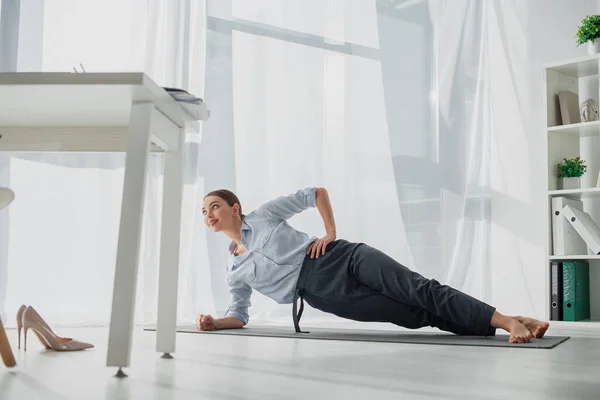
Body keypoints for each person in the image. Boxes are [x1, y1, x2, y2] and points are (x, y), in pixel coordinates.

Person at [197, 187, 549, 343]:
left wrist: (330, 232)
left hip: (340, 257)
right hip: (324, 294)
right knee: (415, 314)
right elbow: (239, 315)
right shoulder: (235, 270)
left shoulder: (264, 215)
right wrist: (216, 322)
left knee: (418, 289)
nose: (208, 214)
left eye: (214, 206)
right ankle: (509, 321)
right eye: (203, 211)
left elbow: (314, 193)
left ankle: (503, 321)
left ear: (235, 208)